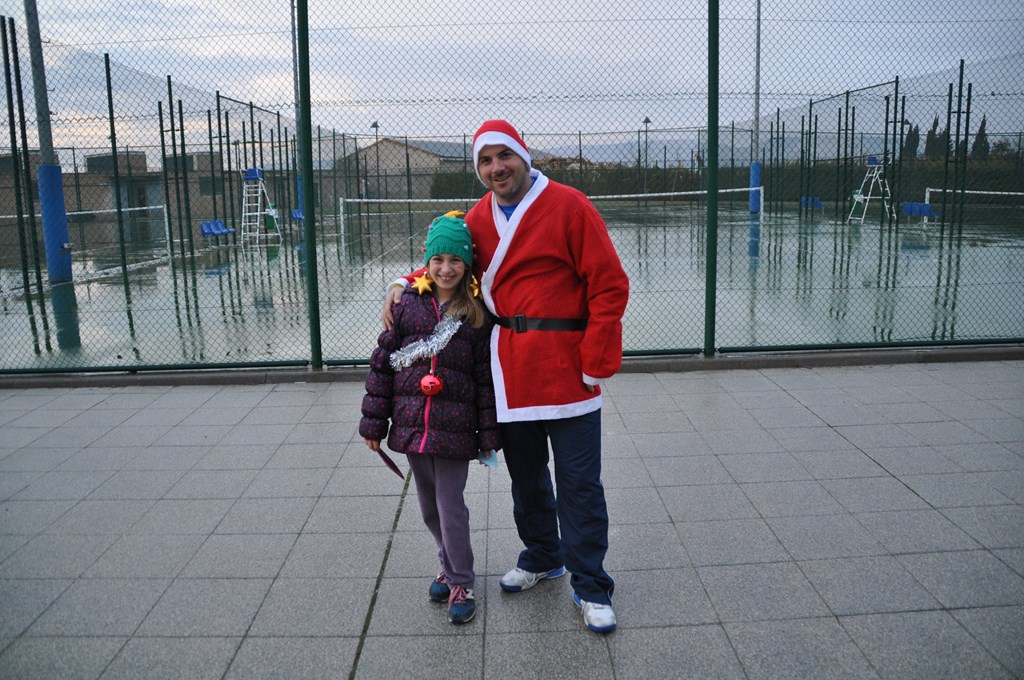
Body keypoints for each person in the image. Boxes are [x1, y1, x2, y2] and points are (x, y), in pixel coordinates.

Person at [382, 120, 630, 633]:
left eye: (504, 156)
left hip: (568, 370)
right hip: (509, 371)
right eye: (486, 161)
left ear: (523, 155)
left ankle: (591, 584)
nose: (497, 168)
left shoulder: (570, 205)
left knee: (580, 485)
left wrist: (595, 359)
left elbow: (609, 284)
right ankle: (543, 555)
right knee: (527, 478)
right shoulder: (478, 217)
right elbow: (448, 260)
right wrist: (405, 281)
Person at [361, 213, 500, 625]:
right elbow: (382, 365)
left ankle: (461, 581)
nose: (446, 268)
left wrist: (487, 435)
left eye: (455, 260)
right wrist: (374, 423)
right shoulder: (406, 306)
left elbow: (484, 380)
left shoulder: (475, 314)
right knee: (428, 507)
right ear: (426, 262)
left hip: (455, 431)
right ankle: (447, 564)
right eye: (438, 259)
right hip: (412, 426)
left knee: (450, 506)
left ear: (467, 264)